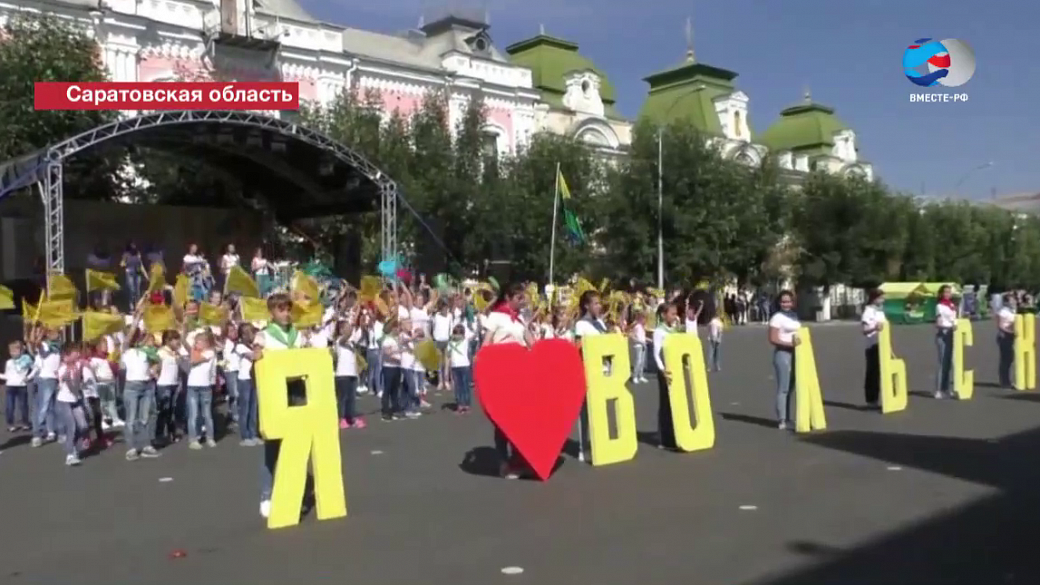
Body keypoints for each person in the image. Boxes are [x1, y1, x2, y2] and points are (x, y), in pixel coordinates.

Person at [255, 292, 306, 519]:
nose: (285, 314)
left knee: (298, 443)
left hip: (297, 391)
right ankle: (267, 495)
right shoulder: (264, 335)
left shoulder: (299, 335)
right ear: (272, 313)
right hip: (275, 393)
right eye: (280, 310)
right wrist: (255, 355)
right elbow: (257, 358)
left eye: (288, 309)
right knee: (272, 446)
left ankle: (294, 491)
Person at [480, 282, 533, 479]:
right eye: (519, 298)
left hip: (520, 372)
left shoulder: (520, 319)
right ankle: (503, 463)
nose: (523, 301)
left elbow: (531, 342)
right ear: (509, 298)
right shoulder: (496, 316)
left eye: (524, 297)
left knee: (521, 420)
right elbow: (487, 343)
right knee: (503, 422)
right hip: (501, 372)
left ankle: (519, 460)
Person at [768, 291, 801, 430]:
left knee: (791, 388)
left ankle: (788, 417)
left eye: (788, 301)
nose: (786, 304)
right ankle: (781, 419)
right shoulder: (777, 317)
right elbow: (773, 338)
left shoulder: (794, 316)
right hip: (783, 354)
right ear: (779, 303)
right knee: (783, 388)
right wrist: (790, 345)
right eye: (783, 301)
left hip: (796, 354)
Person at [652, 301, 681, 449]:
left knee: (675, 403)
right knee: (666, 404)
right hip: (665, 371)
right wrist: (662, 370)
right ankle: (664, 438)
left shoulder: (673, 329)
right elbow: (656, 354)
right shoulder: (659, 331)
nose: (675, 317)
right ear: (664, 315)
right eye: (672, 314)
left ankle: (676, 434)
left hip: (675, 369)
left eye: (676, 314)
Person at [861, 289, 887, 408]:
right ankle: (870, 400)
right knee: (872, 373)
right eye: (881, 298)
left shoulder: (880, 311)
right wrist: (875, 328)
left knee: (881, 372)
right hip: (872, 345)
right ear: (874, 298)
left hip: (882, 344)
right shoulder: (868, 311)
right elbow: (865, 330)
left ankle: (879, 399)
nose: (883, 300)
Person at [2, 340, 33, 432]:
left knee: (23, 406)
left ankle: (25, 422)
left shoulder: (26, 360)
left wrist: (29, 377)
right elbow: (7, 375)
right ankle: (10, 424)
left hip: (21, 386)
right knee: (10, 406)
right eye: (11, 351)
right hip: (10, 386)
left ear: (21, 351)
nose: (13, 353)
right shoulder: (9, 362)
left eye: (15, 351)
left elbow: (35, 368)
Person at [934, 284, 958, 399]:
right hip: (943, 335)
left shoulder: (952, 305)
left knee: (949, 363)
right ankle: (938, 390)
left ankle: (947, 388)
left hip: (951, 335)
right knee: (942, 362)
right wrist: (948, 328)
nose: (948, 294)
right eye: (946, 292)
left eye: (949, 292)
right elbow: (938, 323)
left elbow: (954, 319)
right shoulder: (939, 306)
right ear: (941, 294)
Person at [997, 293, 1017, 387]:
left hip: (1011, 335)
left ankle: (1007, 380)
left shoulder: (1012, 311)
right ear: (1006, 302)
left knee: (1010, 358)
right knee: (1005, 359)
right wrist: (1009, 331)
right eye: (1011, 300)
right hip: (1004, 336)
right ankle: (1004, 381)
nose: (1013, 301)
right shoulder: (1002, 312)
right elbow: (1000, 325)